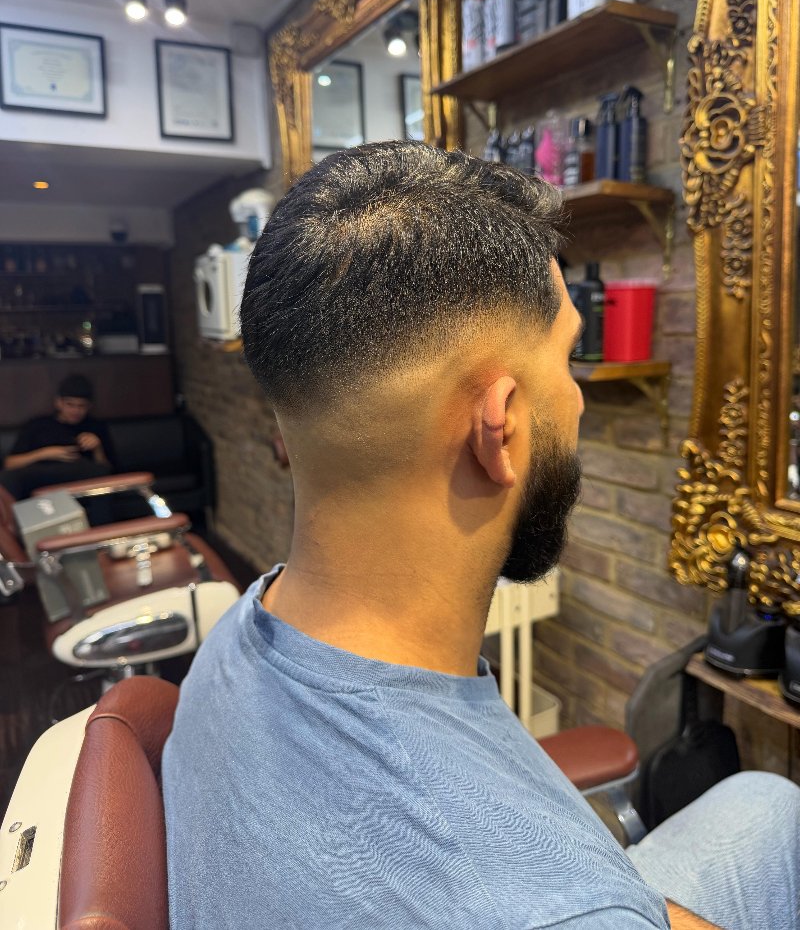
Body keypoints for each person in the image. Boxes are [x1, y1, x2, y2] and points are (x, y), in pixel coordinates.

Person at [163, 142, 800, 930]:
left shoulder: (239, 632)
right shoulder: (537, 909)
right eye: (566, 358)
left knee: (766, 805)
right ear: (497, 429)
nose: (577, 399)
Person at [1, 374, 115, 500]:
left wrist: (97, 448)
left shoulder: (95, 426)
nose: (75, 411)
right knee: (8, 477)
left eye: (81, 406)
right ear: (58, 403)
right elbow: (10, 464)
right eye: (70, 405)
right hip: (40, 475)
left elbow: (109, 472)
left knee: (96, 471)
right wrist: (43, 454)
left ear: (89, 406)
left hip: (80, 479)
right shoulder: (38, 425)